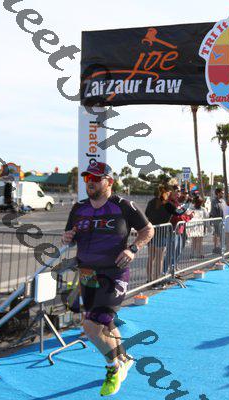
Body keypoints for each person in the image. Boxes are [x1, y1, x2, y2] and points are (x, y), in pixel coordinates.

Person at [61, 162, 154, 396]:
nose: (90, 182)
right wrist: (67, 237)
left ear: (109, 181)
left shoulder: (123, 206)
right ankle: (124, 358)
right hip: (87, 274)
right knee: (106, 325)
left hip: (114, 274)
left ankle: (113, 368)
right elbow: (70, 235)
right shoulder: (79, 208)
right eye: (87, 178)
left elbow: (148, 230)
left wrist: (133, 248)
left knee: (91, 326)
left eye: (96, 178)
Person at [209, 188, 225, 254]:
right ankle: (216, 248)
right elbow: (214, 211)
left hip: (223, 220)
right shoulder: (214, 201)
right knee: (216, 234)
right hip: (217, 220)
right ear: (218, 193)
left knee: (221, 234)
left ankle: (221, 247)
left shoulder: (223, 201)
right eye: (222, 193)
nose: (223, 194)